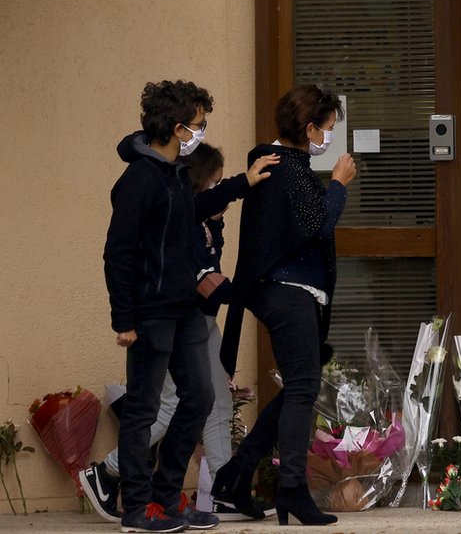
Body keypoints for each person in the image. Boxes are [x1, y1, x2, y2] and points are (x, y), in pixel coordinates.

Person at [83, 143, 278, 524]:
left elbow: (209, 259)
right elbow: (198, 275)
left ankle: (219, 487)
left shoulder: (203, 217)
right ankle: (111, 474)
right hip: (166, 316)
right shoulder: (160, 195)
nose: (221, 193)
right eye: (215, 184)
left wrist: (239, 187)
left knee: (212, 400)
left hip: (197, 320)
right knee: (162, 406)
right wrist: (252, 296)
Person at [102, 79, 254, 533]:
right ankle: (136, 508)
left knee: (202, 396)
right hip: (150, 311)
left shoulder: (176, 175)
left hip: (186, 308)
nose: (201, 131)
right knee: (144, 408)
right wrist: (123, 318)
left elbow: (194, 209)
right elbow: (118, 252)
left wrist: (242, 183)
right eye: (198, 124)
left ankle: (169, 498)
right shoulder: (138, 181)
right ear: (174, 126)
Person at [214, 84, 357, 526]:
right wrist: (337, 184)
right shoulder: (284, 167)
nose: (330, 138)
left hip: (291, 290)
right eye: (329, 129)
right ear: (309, 127)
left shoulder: (285, 163)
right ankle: (291, 489)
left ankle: (237, 476)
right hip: (285, 290)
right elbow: (317, 223)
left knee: (301, 384)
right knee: (301, 387)